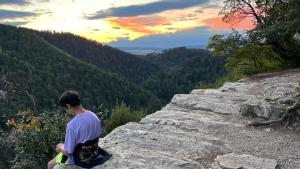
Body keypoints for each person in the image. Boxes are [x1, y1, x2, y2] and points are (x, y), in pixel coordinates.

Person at [48, 90, 102, 169]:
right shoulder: (94, 116)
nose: (66, 111)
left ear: (68, 106)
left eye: (65, 109)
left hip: (78, 159)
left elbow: (68, 152)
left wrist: (60, 148)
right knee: (51, 163)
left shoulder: (72, 125)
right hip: (93, 152)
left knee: (50, 165)